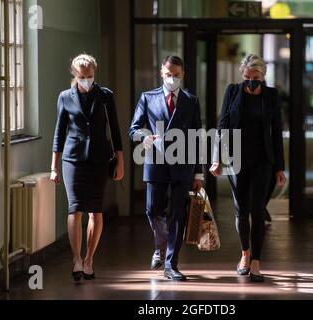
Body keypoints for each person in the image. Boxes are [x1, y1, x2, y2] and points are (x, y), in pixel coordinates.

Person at [210, 54, 286, 282]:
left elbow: (277, 132)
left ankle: (256, 261)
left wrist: (280, 167)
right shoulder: (232, 91)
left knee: (256, 209)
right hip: (236, 158)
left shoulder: (271, 96)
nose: (250, 81)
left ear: (263, 76)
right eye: (247, 77)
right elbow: (222, 124)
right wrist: (216, 158)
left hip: (263, 159)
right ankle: (245, 254)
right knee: (241, 210)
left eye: (255, 77)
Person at [129, 55, 204, 281]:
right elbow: (133, 128)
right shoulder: (147, 98)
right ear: (162, 74)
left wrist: (198, 172)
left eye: (177, 75)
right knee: (153, 209)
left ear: (183, 75)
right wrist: (144, 137)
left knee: (178, 215)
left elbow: (197, 137)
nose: (172, 78)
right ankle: (160, 246)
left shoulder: (191, 100)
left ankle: (171, 264)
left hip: (183, 165)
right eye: (168, 74)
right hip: (156, 161)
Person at [50, 54, 124, 282]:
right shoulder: (65, 97)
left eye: (90, 76)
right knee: (74, 208)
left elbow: (115, 129)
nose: (86, 80)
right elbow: (59, 133)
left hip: (99, 159)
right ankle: (76, 259)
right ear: (74, 75)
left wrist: (119, 161)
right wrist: (53, 166)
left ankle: (89, 259)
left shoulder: (105, 96)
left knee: (96, 210)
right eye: (82, 77)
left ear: (94, 74)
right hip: (72, 159)